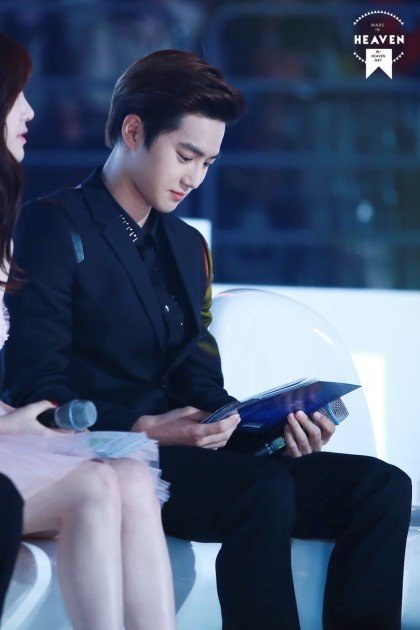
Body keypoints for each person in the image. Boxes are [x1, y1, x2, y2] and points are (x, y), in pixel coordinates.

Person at [4, 48, 412, 629]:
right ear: (133, 131)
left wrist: (275, 432)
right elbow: (33, 387)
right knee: (260, 491)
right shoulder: (55, 224)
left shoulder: (187, 247)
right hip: (119, 454)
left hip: (203, 457)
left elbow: (201, 384)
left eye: (208, 163)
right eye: (185, 155)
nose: (194, 178)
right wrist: (144, 426)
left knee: (381, 486)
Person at [0, 32, 175, 630]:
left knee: (132, 477)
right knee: (95, 486)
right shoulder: (50, 223)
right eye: (16, 96)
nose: (30, 111)